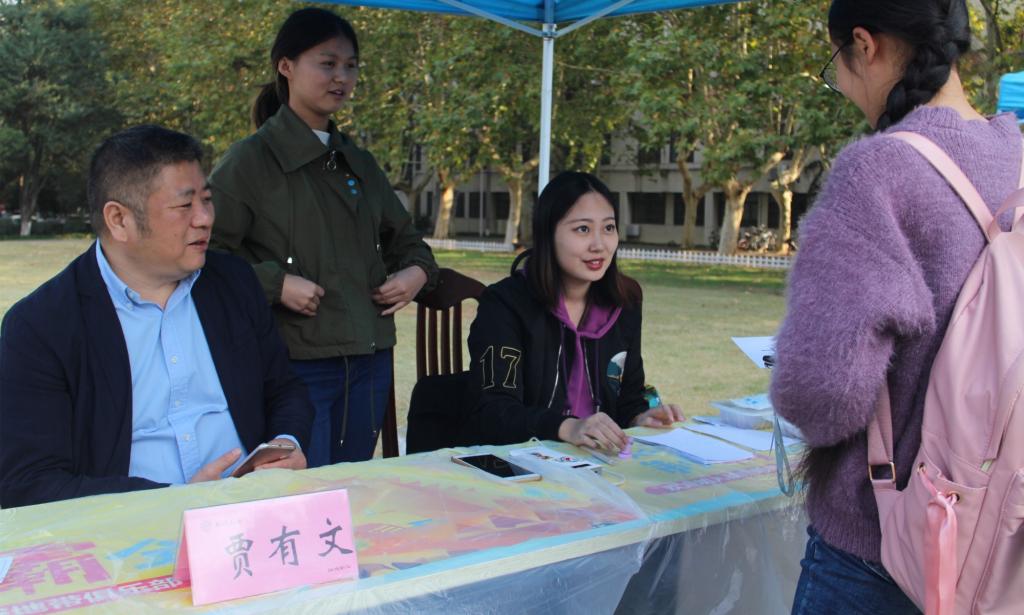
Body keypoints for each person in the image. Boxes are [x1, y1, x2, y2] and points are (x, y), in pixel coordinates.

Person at [770, 1, 1023, 613]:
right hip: (998, 536)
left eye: (836, 64)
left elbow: (822, 393)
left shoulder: (877, 172)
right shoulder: (1016, 154)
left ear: (865, 44)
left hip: (883, 545)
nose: (842, 84)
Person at [0, 125, 314, 508]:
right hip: (130, 530)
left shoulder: (233, 282)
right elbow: (30, 482)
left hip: (250, 511)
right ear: (119, 220)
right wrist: (173, 501)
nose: (205, 218)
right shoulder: (41, 326)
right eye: (184, 206)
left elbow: (284, 389)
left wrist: (285, 444)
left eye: (207, 200)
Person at [210, 8, 437, 467]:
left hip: (370, 360)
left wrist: (416, 273)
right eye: (327, 63)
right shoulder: (249, 163)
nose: (341, 77)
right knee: (300, 492)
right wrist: (276, 285)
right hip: (295, 364)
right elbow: (205, 256)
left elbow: (409, 241)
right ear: (286, 66)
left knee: (351, 486)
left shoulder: (359, 162)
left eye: (350, 66)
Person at [464, 171, 683, 449]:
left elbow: (629, 397)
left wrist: (640, 417)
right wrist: (568, 427)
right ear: (548, 233)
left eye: (608, 228)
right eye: (582, 229)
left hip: (598, 461)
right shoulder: (505, 305)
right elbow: (494, 412)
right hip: (524, 461)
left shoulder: (625, 302)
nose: (599, 245)